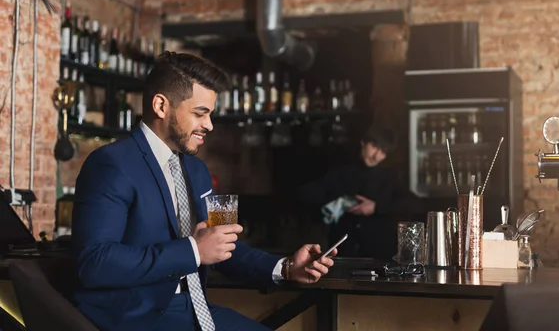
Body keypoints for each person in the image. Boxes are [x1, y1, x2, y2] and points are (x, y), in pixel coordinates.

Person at [71, 52, 336, 331]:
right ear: (161, 106)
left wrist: (285, 267)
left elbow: (221, 246)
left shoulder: (197, 170)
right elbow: (94, 262)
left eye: (210, 114)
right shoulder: (111, 164)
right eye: (200, 113)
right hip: (136, 317)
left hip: (195, 308)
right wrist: (194, 250)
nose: (209, 125)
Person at [296, 124, 422, 260]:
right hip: (343, 252)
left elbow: (414, 203)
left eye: (383, 152)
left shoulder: (390, 176)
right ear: (363, 142)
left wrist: (376, 207)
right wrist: (338, 202)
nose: (376, 156)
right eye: (374, 147)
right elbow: (307, 193)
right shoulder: (339, 169)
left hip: (379, 253)